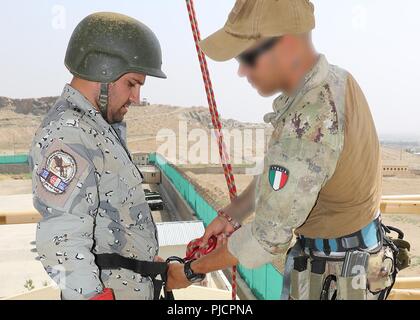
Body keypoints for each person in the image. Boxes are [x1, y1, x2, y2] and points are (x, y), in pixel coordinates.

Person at [166, 0, 409, 300]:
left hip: (338, 280)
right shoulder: (337, 81)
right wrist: (231, 216)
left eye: (247, 56)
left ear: (287, 44)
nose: (241, 70)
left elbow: (266, 240)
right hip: (356, 263)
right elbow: (283, 179)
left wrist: (190, 271)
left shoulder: (310, 117)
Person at [29, 12, 184, 300]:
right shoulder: (69, 133)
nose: (137, 98)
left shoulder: (97, 128)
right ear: (104, 71)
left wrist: (145, 262)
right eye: (132, 84)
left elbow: (113, 217)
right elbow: (61, 240)